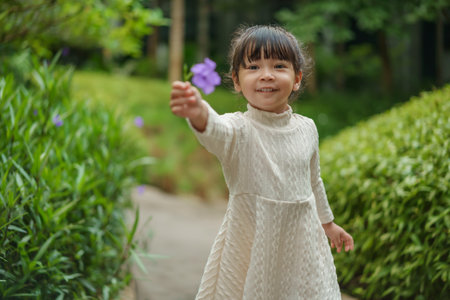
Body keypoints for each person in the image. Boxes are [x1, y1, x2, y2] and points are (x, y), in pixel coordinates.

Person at [170, 24, 354, 300]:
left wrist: (327, 224)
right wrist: (199, 112)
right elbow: (216, 130)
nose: (266, 75)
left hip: (302, 242)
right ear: (236, 80)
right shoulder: (239, 129)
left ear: (297, 78)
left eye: (279, 66)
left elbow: (313, 180)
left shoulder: (308, 128)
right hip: (252, 240)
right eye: (253, 67)